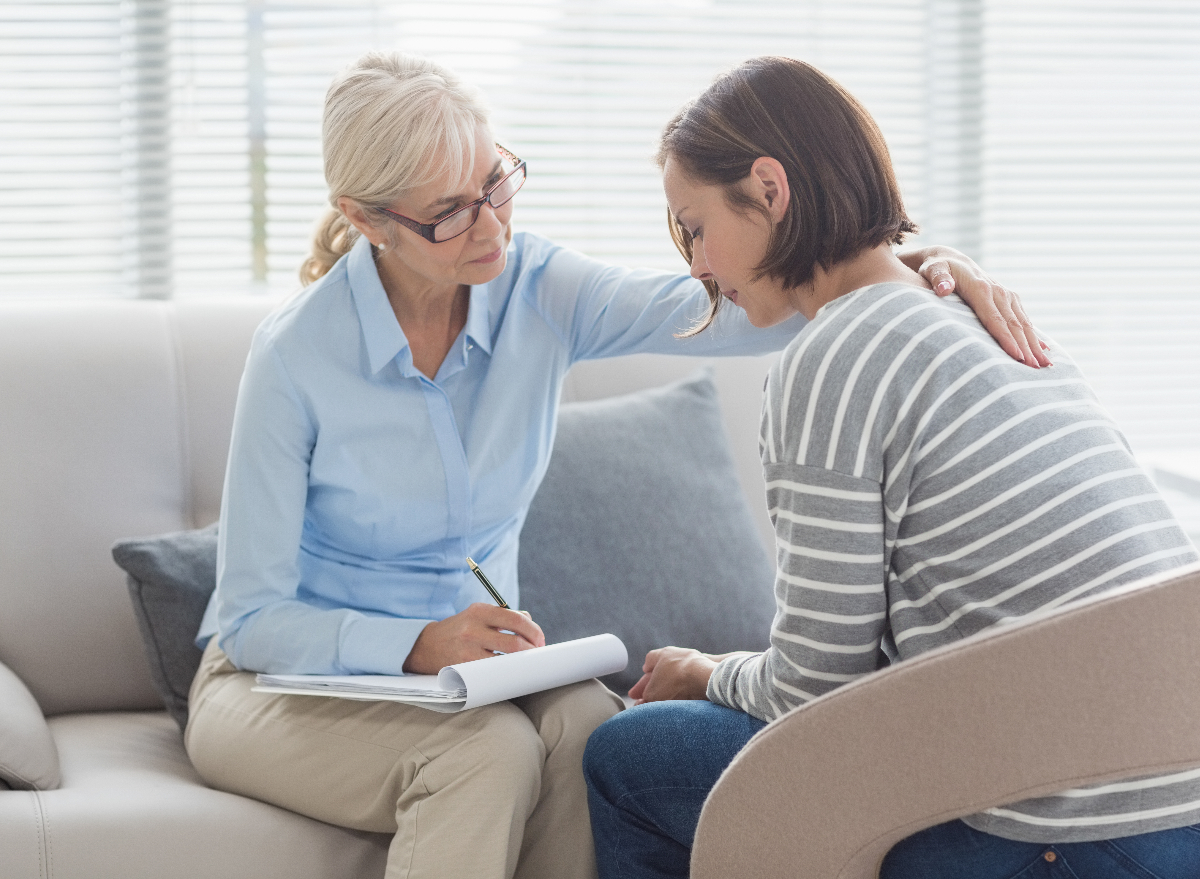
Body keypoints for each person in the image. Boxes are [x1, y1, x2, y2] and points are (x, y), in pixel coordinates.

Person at [183, 52, 1045, 879]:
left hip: (467, 679)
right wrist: (414, 643)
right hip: (276, 687)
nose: (492, 226)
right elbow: (253, 616)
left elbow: (751, 300)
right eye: (450, 212)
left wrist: (921, 266)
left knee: (594, 729)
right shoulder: (296, 356)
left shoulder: (536, 288)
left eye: (495, 183)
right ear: (367, 218)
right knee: (484, 754)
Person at [582, 56, 1200, 879]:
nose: (696, 265)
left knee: (626, 757)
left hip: (1058, 833)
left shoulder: (830, 358)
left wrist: (705, 672)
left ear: (769, 188)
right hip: (1177, 797)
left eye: (693, 226)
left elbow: (812, 692)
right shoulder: (984, 317)